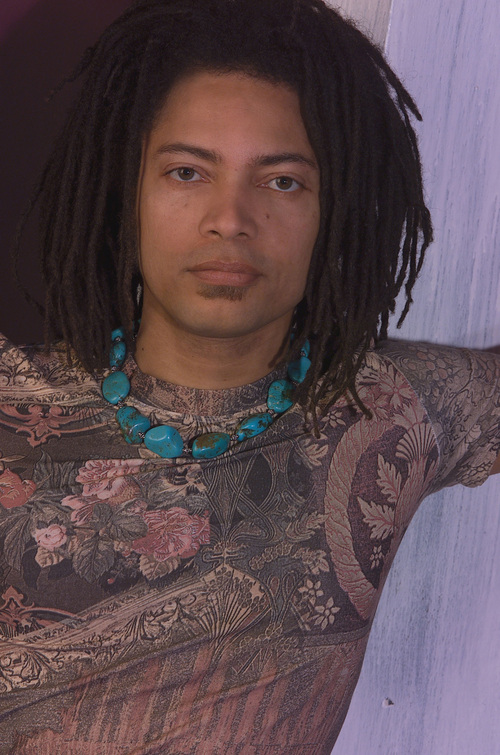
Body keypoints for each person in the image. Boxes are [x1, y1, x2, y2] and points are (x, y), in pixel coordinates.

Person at [0, 0, 498, 752]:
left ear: (335, 211)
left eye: (283, 181)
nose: (229, 218)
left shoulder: (391, 408)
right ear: (128, 192)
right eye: (187, 171)